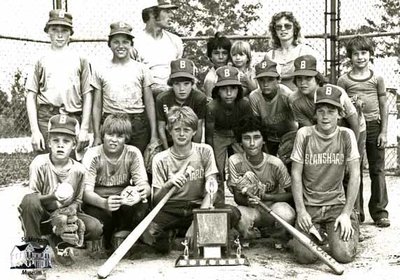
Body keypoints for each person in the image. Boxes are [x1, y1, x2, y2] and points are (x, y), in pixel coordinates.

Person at [142, 106, 240, 254]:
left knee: (232, 213)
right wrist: (168, 185)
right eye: (177, 129)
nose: (181, 134)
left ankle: (191, 235)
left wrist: (197, 221)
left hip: (199, 205)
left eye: (186, 130)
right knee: (148, 232)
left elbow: (211, 190)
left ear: (194, 131)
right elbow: (156, 201)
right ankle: (183, 239)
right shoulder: (160, 158)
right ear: (169, 130)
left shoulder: (204, 151)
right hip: (171, 209)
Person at [18, 114, 102, 265]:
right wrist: (53, 196)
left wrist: (71, 212)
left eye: (66, 141)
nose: (60, 145)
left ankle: (59, 243)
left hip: (63, 215)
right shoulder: (39, 163)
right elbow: (32, 199)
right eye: (56, 140)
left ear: (74, 145)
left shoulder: (80, 170)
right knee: (29, 201)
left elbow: (77, 200)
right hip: (42, 217)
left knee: (95, 228)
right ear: (49, 142)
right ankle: (35, 258)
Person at [291, 85, 360, 264]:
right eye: (320, 111)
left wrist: (346, 213)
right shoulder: (304, 134)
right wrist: (301, 211)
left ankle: (344, 226)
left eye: (331, 111)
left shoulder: (347, 135)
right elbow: (296, 174)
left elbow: (355, 175)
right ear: (315, 114)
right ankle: (317, 232)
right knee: (305, 257)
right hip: (310, 206)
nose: (325, 116)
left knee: (343, 255)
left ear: (340, 113)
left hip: (336, 205)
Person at [337, 36, 390, 227]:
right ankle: (355, 211)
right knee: (354, 169)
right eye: (355, 53)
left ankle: (380, 211)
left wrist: (384, 131)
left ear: (370, 54)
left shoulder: (377, 78)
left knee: (377, 169)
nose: (360, 57)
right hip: (354, 128)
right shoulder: (343, 80)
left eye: (364, 53)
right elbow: (340, 107)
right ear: (350, 57)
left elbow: (384, 106)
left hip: (374, 126)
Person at [26, 9, 92, 154]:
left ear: (70, 33)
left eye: (64, 30)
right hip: (47, 117)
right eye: (54, 29)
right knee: (46, 163)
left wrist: (84, 129)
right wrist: (35, 131)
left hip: (73, 116)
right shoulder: (40, 59)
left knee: (72, 167)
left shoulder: (81, 59)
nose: (60, 34)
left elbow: (87, 95)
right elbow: (31, 96)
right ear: (48, 31)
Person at [82, 114, 151, 251]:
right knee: (98, 217)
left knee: (142, 206)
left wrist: (142, 191)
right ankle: (105, 239)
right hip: (99, 201)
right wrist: (104, 203)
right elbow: (85, 192)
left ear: (126, 138)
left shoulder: (133, 153)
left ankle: (123, 236)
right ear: (103, 135)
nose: (114, 140)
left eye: (119, 136)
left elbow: (144, 185)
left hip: (122, 200)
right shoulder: (93, 154)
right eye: (110, 135)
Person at [92, 21, 157, 153]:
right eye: (116, 42)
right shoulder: (101, 69)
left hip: (136, 122)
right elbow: (97, 105)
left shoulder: (142, 68)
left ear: (131, 45)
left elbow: (149, 102)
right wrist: (97, 135)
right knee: (113, 164)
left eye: (125, 42)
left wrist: (154, 134)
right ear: (109, 44)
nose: (121, 46)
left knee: (137, 162)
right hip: (111, 121)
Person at [228, 116, 295, 241]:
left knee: (287, 213)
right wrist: (248, 201)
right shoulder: (235, 161)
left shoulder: (275, 163)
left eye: (257, 138)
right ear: (240, 142)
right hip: (252, 210)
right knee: (238, 216)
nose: (252, 143)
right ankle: (252, 235)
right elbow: (237, 197)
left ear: (264, 140)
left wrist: (266, 197)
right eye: (247, 138)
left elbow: (291, 194)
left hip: (273, 208)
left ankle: (276, 237)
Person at [206, 66, 253, 199]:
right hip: (218, 134)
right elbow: (209, 136)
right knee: (217, 168)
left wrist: (245, 147)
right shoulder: (212, 107)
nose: (228, 93)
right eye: (224, 89)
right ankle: (217, 198)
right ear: (217, 90)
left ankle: (244, 194)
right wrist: (212, 156)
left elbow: (248, 128)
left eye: (232, 88)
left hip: (237, 135)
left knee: (242, 165)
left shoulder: (244, 104)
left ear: (238, 90)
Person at [289, 55, 360, 141]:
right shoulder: (295, 99)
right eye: (299, 78)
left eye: (308, 78)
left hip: (353, 128)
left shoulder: (336, 92)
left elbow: (353, 120)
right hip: (323, 131)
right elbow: (309, 130)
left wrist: (354, 146)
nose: (303, 83)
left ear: (317, 78)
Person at [134, 0, 183, 97]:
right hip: (144, 96)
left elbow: (179, 73)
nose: (172, 15)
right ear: (152, 13)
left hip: (172, 95)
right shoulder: (135, 42)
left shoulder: (175, 41)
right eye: (167, 11)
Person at [249, 59, 297, 156]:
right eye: (261, 80)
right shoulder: (254, 96)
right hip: (270, 138)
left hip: (290, 137)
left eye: (270, 79)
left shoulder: (287, 95)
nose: (265, 84)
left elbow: (299, 124)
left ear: (278, 79)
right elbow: (257, 125)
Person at [264, 11, 323, 91]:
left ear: (295, 29)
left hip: (300, 95)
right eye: (278, 27)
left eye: (287, 26)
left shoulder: (305, 51)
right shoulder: (270, 55)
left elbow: (317, 79)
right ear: (274, 31)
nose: (283, 29)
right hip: (278, 97)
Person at [156, 58, 207, 150]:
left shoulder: (199, 98)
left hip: (189, 141)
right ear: (171, 84)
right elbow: (161, 127)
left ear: (192, 83)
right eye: (177, 84)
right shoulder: (162, 98)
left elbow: (198, 127)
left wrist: (194, 151)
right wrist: (167, 151)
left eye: (186, 84)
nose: (182, 89)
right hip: (169, 141)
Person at [203, 32, 232, 99]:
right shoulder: (210, 79)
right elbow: (210, 104)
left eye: (224, 53)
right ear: (210, 56)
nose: (221, 57)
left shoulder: (233, 70)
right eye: (216, 53)